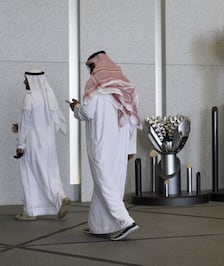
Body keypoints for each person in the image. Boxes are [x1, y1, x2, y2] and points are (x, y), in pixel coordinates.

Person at [69, 51, 141, 241]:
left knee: (104, 182)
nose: (90, 70)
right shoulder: (125, 84)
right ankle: (99, 225)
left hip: (101, 143)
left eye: (90, 66)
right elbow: (133, 118)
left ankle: (126, 222)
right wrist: (130, 148)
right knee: (109, 183)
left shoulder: (95, 84)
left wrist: (75, 108)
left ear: (96, 65)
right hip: (121, 144)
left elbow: (87, 113)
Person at [13, 70, 71, 221]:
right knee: (50, 173)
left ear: (32, 81)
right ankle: (61, 197)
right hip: (49, 145)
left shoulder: (29, 98)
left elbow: (26, 124)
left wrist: (20, 144)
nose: (24, 82)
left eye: (26, 80)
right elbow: (43, 122)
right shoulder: (48, 99)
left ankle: (30, 211)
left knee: (30, 174)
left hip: (32, 145)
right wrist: (19, 127)